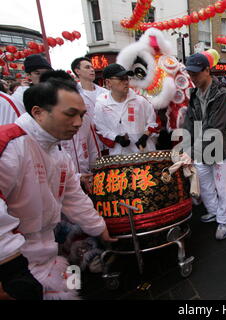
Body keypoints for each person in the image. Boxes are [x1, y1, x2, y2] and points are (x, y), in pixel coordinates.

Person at [0, 78, 115, 300]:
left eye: (81, 115)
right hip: (15, 263)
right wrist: (11, 269)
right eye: (70, 114)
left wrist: (99, 228)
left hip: (46, 254)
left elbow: (74, 198)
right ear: (38, 112)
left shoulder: (58, 155)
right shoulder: (10, 144)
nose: (77, 122)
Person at [182, 52, 226, 240]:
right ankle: (214, 211)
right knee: (204, 185)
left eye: (196, 73)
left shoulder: (223, 93)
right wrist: (186, 147)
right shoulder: (194, 93)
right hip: (201, 148)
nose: (193, 78)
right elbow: (189, 121)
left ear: (207, 70)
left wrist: (191, 151)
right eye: (190, 73)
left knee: (223, 188)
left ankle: (223, 221)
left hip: (222, 146)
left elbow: (216, 126)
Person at [94, 63, 159, 155]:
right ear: (108, 82)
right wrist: (117, 138)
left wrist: (145, 136)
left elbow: (154, 123)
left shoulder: (140, 101)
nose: (126, 82)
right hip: (119, 156)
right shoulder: (101, 104)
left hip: (144, 153)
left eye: (126, 78)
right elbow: (100, 129)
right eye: (121, 79)